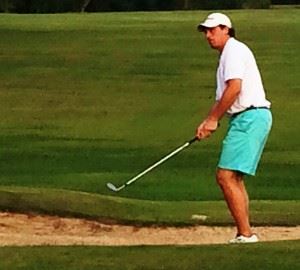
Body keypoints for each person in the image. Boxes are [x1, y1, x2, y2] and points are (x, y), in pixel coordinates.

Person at [195, 13, 272, 243]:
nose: (208, 35)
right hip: (246, 118)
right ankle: (245, 233)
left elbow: (235, 88)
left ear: (226, 29)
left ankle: (245, 234)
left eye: (212, 30)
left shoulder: (234, 51)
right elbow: (226, 94)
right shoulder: (229, 54)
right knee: (233, 178)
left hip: (250, 116)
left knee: (225, 176)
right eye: (206, 31)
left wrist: (213, 119)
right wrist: (210, 119)